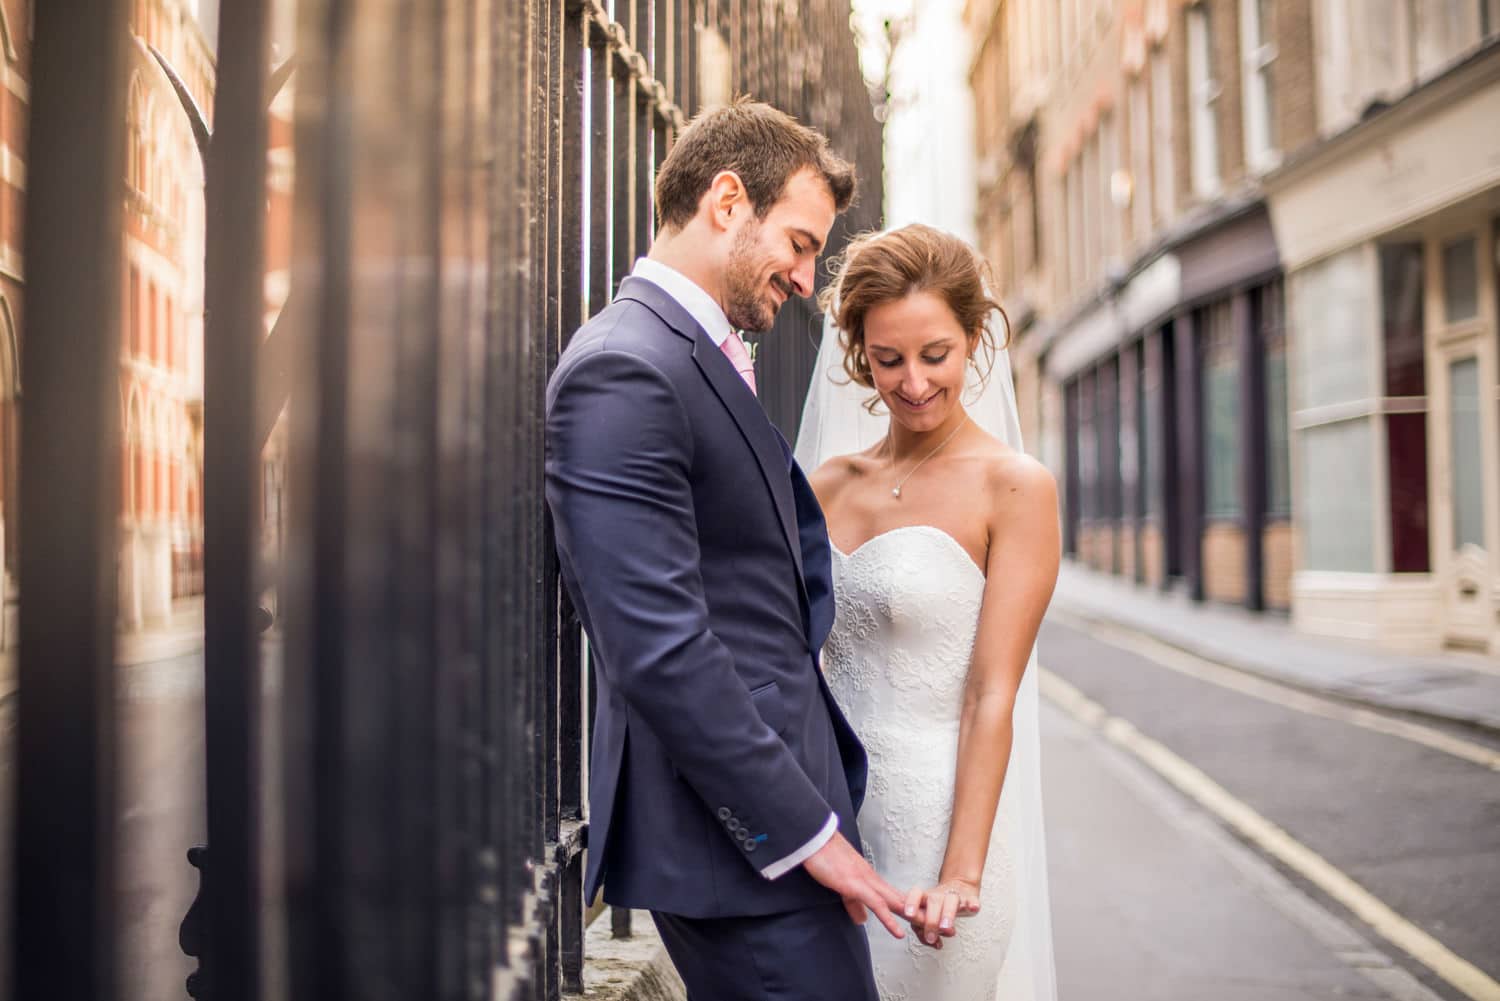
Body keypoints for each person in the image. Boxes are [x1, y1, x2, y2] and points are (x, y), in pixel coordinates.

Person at [545, 98, 910, 1001]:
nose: (805, 275)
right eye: (797, 241)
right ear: (725, 201)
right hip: (737, 850)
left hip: (765, 841)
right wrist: (804, 832)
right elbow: (658, 646)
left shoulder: (692, 352)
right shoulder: (624, 367)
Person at [795, 224, 1060, 1000]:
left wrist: (961, 872)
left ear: (975, 338)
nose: (912, 382)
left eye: (935, 354)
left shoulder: (1014, 487)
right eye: (888, 359)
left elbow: (991, 692)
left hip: (936, 842)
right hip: (829, 838)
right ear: (858, 354)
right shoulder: (826, 486)